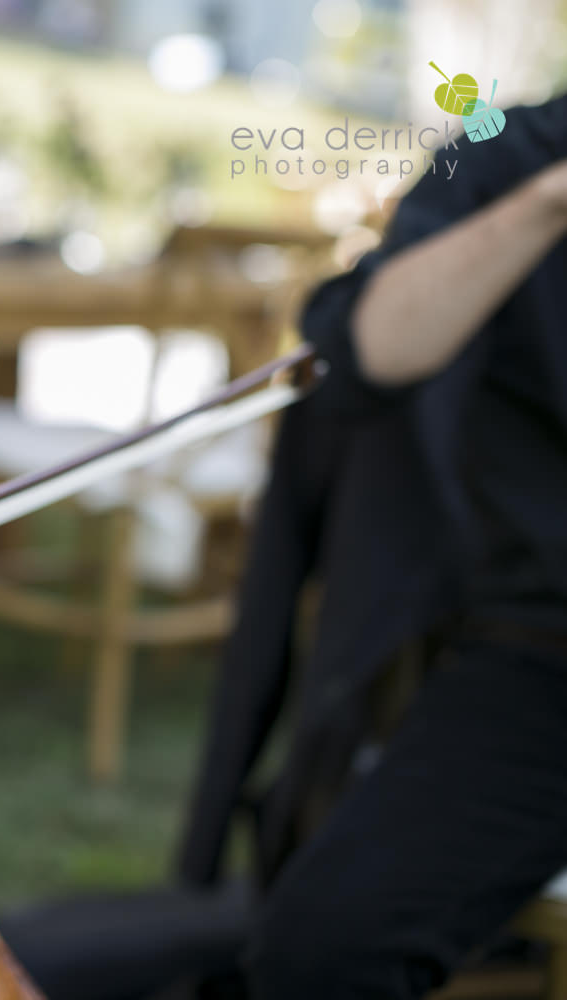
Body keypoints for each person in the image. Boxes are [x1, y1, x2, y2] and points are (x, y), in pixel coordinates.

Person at [246, 95, 567, 996]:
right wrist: (548, 202)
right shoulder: (505, 146)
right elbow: (368, 352)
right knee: (321, 949)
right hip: (544, 667)